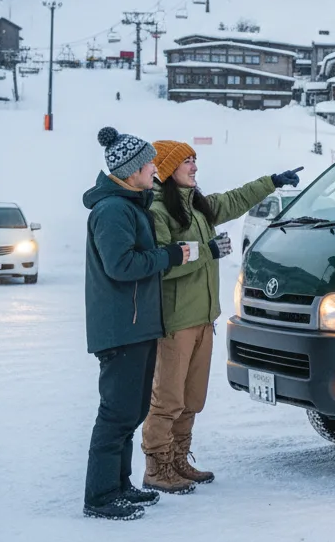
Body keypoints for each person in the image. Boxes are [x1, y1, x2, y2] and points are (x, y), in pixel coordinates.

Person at [140, 140, 302, 492]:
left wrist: (272, 181)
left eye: (195, 160)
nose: (195, 167)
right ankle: (157, 467)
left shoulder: (196, 206)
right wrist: (206, 252)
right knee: (167, 399)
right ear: (167, 169)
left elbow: (234, 200)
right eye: (187, 161)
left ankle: (179, 459)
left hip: (202, 318)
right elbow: (161, 265)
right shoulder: (158, 211)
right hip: (175, 321)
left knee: (192, 398)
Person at [82, 126, 190, 521]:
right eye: (148, 165)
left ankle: (120, 484)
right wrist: (168, 257)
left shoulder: (130, 205)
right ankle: (99, 496)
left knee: (132, 411)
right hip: (120, 328)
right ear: (130, 171)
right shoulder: (112, 210)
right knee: (116, 414)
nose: (153, 171)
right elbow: (121, 265)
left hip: (137, 325)